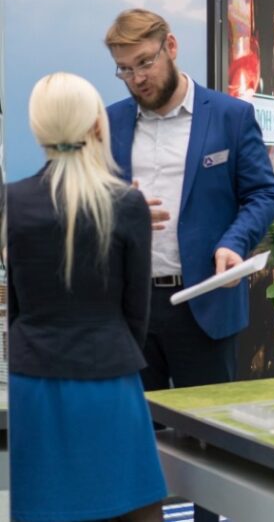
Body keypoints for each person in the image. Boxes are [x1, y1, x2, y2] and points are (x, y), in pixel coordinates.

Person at [105, 9, 274, 519]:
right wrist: (117, 208)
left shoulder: (229, 116)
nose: (137, 78)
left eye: (144, 63)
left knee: (211, 445)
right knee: (137, 445)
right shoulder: (110, 122)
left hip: (205, 302)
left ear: (171, 47)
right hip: (132, 308)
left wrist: (234, 241)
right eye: (125, 69)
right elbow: (88, 200)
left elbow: (264, 194)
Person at [7, 73, 166, 521]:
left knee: (43, 506)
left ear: (37, 128)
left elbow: (15, 306)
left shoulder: (11, 202)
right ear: (97, 124)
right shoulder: (127, 204)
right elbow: (137, 312)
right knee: (129, 507)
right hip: (109, 379)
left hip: (32, 380)